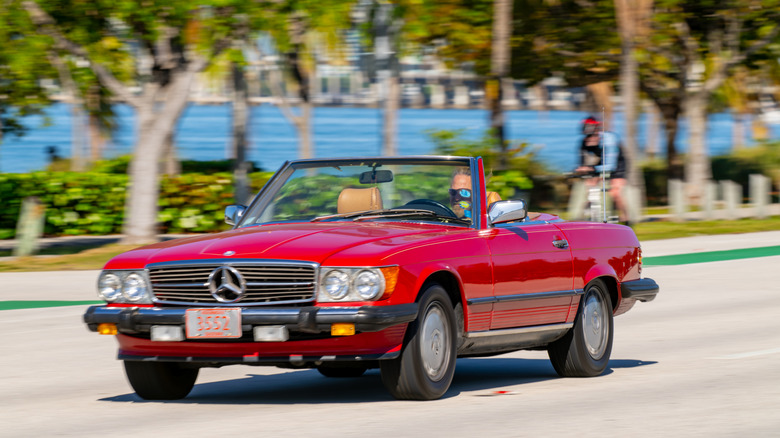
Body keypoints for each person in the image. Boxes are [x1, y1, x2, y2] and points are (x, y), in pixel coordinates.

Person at [575, 116, 629, 224]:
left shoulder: (609, 140)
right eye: (587, 136)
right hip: (601, 164)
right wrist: (580, 169)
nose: (589, 140)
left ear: (597, 133)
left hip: (617, 166)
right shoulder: (584, 142)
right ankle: (586, 216)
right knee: (589, 187)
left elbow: (611, 165)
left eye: (591, 136)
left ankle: (626, 218)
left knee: (615, 193)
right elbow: (582, 162)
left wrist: (590, 168)